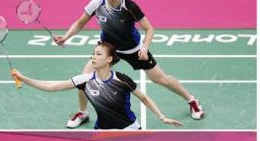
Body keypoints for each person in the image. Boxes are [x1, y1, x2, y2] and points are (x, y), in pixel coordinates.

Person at [54, 0, 204, 128]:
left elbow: (149, 29)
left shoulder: (129, 6)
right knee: (85, 78)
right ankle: (83, 112)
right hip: (108, 48)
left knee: (160, 79)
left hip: (133, 49)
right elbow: (80, 22)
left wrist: (145, 48)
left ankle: (192, 100)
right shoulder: (97, 4)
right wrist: (66, 36)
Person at [12, 41, 182, 129]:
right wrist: (23, 78)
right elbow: (51, 87)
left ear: (109, 59)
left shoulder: (122, 79)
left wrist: (162, 117)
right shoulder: (85, 79)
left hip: (129, 129)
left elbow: (144, 97)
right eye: (93, 53)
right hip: (101, 131)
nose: (93, 57)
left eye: (98, 54)